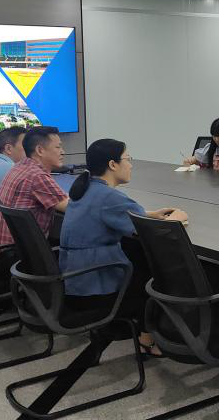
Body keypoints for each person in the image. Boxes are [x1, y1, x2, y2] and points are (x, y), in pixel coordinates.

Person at [60, 139, 187, 355]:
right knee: (155, 269)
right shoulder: (109, 196)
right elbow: (155, 234)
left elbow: (115, 213)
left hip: (75, 281)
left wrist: (149, 214)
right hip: (95, 289)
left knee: (137, 253)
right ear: (113, 164)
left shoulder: (86, 187)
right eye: (128, 159)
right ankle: (148, 339)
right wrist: (177, 218)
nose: (131, 165)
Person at [0, 126, 69, 279]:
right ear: (40, 150)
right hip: (18, 262)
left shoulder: (20, 167)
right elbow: (73, 208)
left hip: (0, 257)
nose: (62, 151)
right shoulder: (36, 176)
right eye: (58, 147)